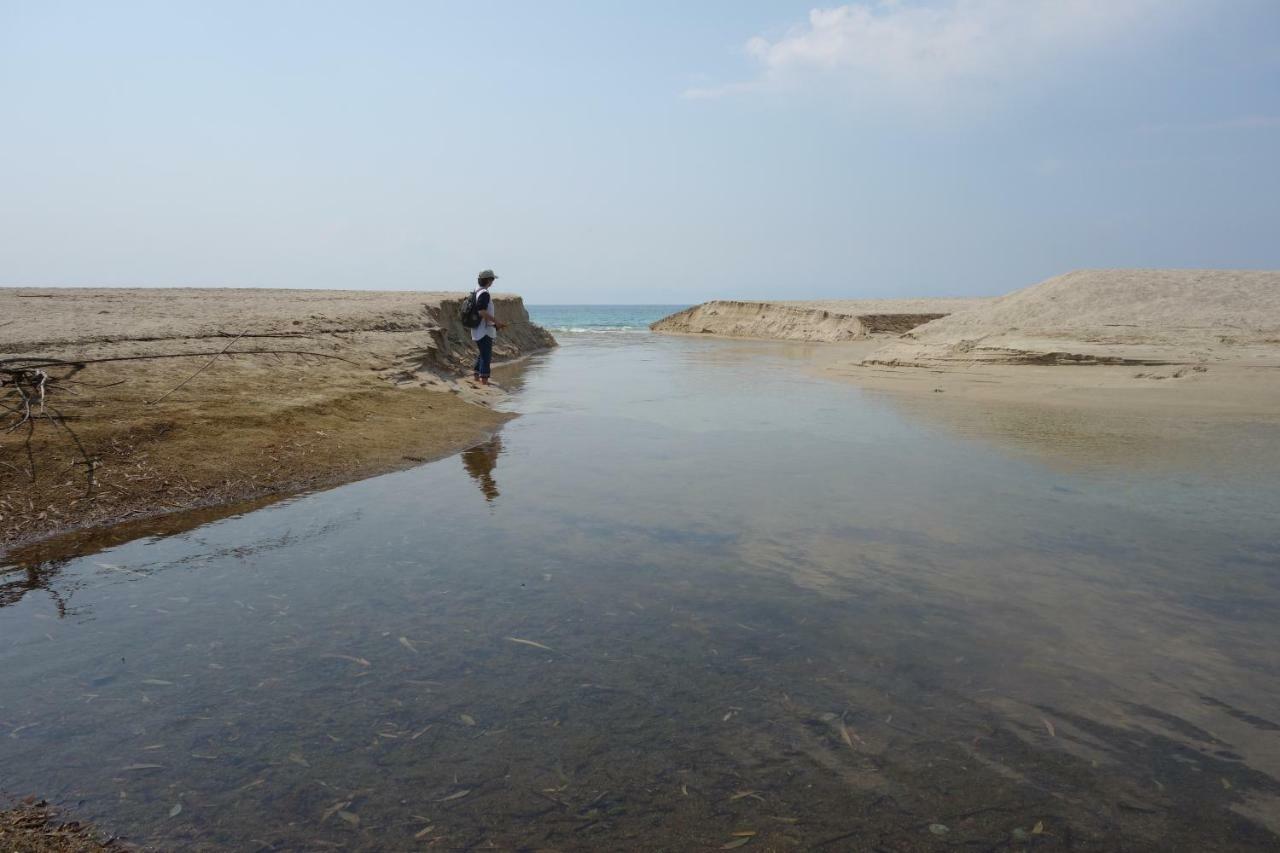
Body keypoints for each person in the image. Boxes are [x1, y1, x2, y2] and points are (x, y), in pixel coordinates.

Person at [470, 269, 507, 385]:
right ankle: (484, 381)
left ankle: (477, 377)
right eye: (492, 279)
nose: (493, 282)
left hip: (478, 328)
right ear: (488, 280)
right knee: (486, 355)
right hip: (484, 330)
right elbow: (481, 311)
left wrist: (495, 324)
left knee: (482, 353)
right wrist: (497, 322)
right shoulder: (484, 293)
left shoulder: (476, 290)